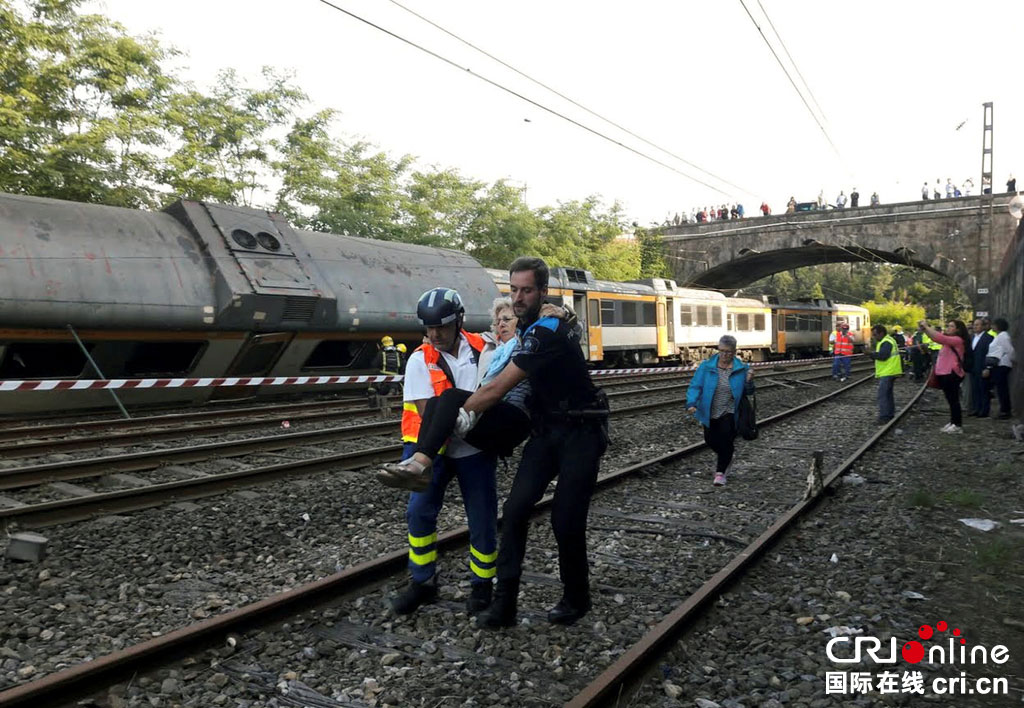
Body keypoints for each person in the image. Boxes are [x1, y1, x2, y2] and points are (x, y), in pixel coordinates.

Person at [460, 256, 609, 628]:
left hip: (581, 431)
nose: (519, 297)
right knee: (515, 511)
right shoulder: (531, 322)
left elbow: (498, 387)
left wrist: (458, 415)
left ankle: (577, 596)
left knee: (565, 519)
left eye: (527, 290)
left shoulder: (547, 330)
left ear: (542, 290)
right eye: (514, 290)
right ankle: (504, 604)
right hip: (546, 432)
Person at [383, 287, 499, 616]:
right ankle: (422, 582)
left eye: (442, 328)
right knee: (419, 512)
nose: (435, 335)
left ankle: (482, 584)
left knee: (483, 517)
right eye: (429, 328)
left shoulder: (485, 349)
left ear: (458, 322)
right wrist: (466, 413)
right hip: (432, 448)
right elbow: (426, 411)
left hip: (474, 448)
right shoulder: (420, 358)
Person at [378, 296, 537, 491]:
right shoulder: (496, 348)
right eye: (498, 321)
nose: (501, 325)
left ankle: (420, 463)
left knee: (450, 396)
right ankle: (421, 466)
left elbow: (493, 389)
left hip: (515, 418)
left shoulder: (529, 343)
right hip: (493, 415)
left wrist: (555, 313)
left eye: (508, 319)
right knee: (437, 402)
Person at [686, 335, 755, 486]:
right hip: (708, 411)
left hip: (730, 411)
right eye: (722, 351)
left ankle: (720, 473)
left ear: (734, 352)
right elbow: (695, 386)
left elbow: (749, 392)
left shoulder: (742, 369)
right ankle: (727, 457)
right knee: (710, 440)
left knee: (726, 440)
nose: (725, 355)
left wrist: (749, 380)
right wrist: (692, 402)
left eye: (729, 352)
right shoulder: (706, 366)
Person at [919, 319, 970, 433]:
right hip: (945, 373)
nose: (948, 328)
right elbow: (935, 338)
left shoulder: (957, 340)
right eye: (948, 325)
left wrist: (926, 327)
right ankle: (953, 422)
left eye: (951, 326)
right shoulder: (950, 341)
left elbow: (940, 338)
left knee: (953, 399)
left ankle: (957, 424)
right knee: (950, 399)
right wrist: (926, 330)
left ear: (958, 329)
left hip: (952, 373)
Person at [866, 324, 902, 424]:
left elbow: (883, 356)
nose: (874, 337)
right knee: (888, 394)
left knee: (883, 395)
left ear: (881, 333)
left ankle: (884, 417)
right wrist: (872, 354)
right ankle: (889, 414)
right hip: (890, 371)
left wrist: (870, 354)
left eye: (875, 334)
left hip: (888, 371)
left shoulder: (886, 342)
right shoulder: (886, 340)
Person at [983, 317, 1015, 419]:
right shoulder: (999, 336)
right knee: (1000, 388)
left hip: (1002, 364)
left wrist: (1011, 360)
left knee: (1002, 388)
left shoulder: (1003, 336)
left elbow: (1009, 350)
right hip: (998, 364)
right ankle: (1003, 409)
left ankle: (1005, 410)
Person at [967, 318, 994, 418]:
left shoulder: (989, 338)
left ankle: (984, 410)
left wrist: (988, 367)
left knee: (984, 389)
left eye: (978, 325)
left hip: (983, 367)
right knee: (975, 389)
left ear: (983, 327)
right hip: (973, 368)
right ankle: (976, 408)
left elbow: (990, 353)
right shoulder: (972, 337)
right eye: (974, 325)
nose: (975, 327)